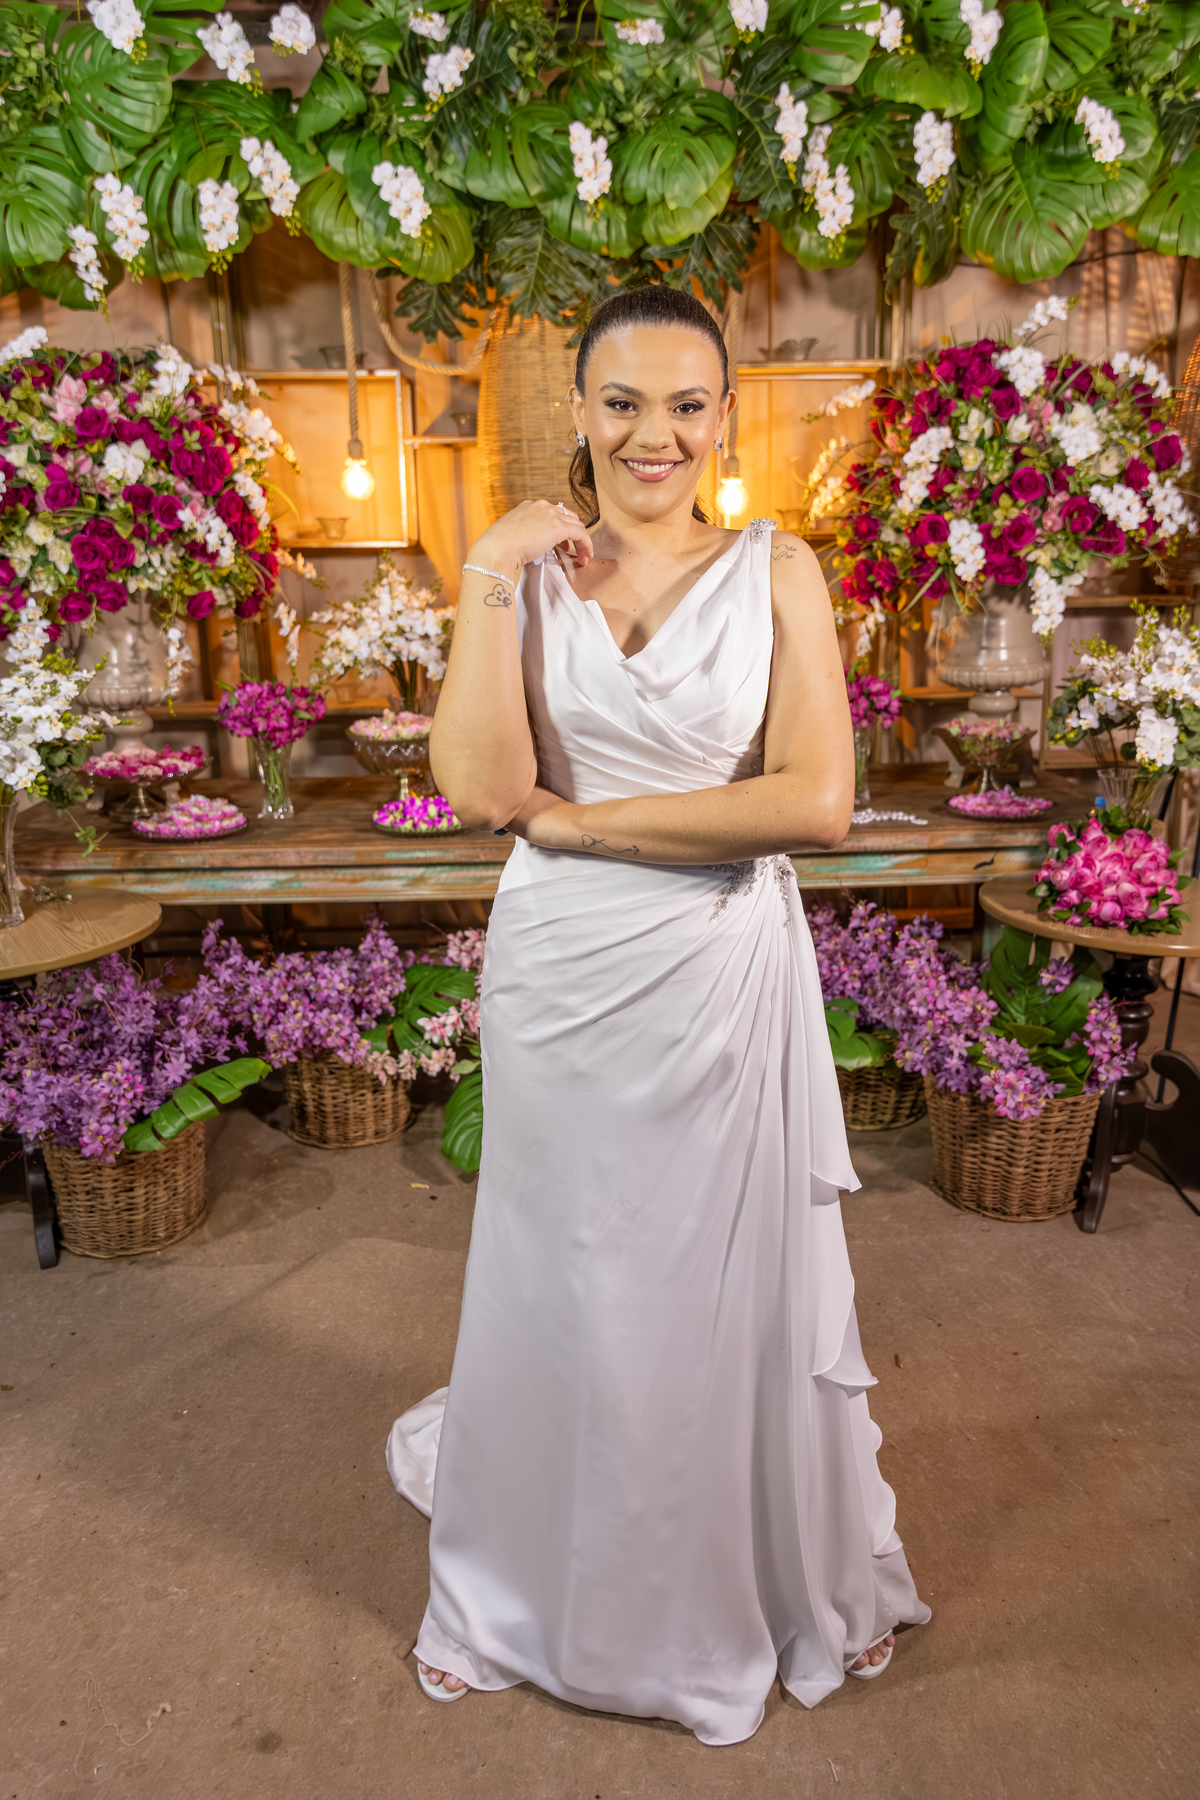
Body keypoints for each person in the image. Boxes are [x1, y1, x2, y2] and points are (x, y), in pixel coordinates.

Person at [386, 285, 929, 1747]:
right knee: (562, 1267)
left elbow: (813, 801)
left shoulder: (779, 569)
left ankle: (767, 1565)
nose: (655, 434)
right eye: (623, 402)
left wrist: (583, 827)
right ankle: (511, 1588)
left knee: (713, 1283)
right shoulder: (527, 573)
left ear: (725, 416)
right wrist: (489, 568)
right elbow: (483, 790)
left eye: (687, 404)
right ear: (581, 411)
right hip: (562, 977)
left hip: (715, 967)